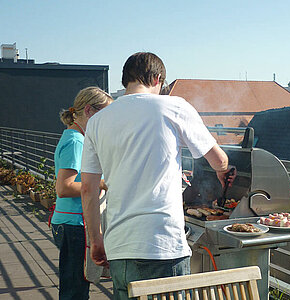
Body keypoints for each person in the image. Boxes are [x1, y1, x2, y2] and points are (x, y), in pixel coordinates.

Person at [80, 52, 235, 300]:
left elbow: (87, 189)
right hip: (163, 245)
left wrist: (95, 241)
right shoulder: (174, 106)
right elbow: (220, 159)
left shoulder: (97, 122)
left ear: (125, 80)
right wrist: (222, 170)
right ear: (157, 79)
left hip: (119, 246)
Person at [51, 86, 113, 300]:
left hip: (70, 223)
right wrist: (101, 184)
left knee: (75, 286)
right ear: (88, 111)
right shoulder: (76, 142)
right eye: (104, 115)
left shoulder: (73, 137)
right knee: (75, 290)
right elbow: (64, 187)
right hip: (73, 226)